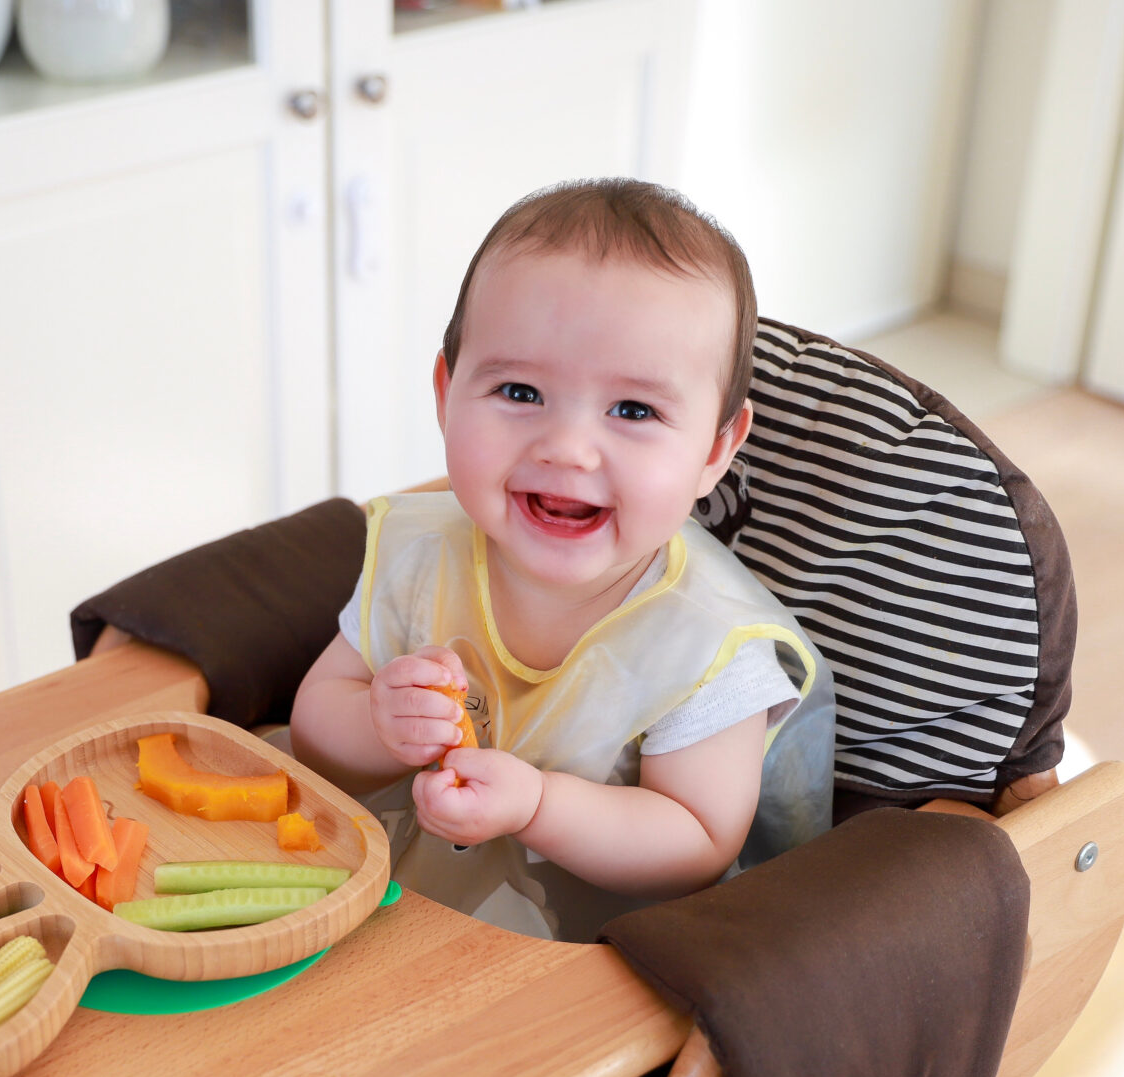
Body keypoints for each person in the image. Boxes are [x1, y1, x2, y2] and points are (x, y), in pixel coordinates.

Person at [289, 179, 833, 943]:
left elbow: (697, 840)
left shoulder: (709, 650)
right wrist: (379, 723)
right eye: (519, 390)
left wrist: (539, 807)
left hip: (587, 961)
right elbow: (312, 723)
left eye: (634, 411)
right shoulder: (420, 554)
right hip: (399, 903)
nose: (567, 448)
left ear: (715, 449)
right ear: (446, 396)